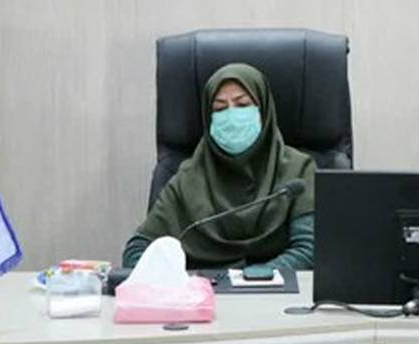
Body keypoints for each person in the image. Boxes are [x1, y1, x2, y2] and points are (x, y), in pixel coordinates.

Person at [122, 63, 316, 272]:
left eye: (242, 105)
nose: (232, 118)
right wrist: (182, 282)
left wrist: (256, 278)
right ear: (208, 118)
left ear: (264, 111)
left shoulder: (298, 171)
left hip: (276, 289)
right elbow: (136, 251)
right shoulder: (189, 179)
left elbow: (309, 250)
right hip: (203, 288)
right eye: (220, 109)